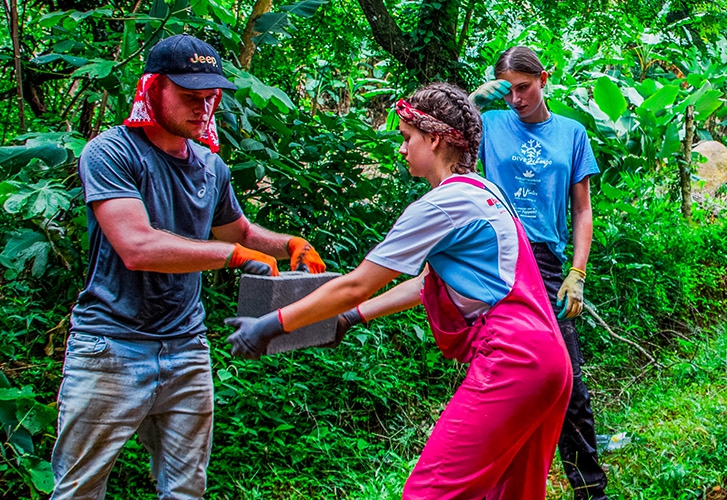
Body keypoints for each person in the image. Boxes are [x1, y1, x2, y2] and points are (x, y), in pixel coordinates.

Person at [223, 83, 572, 498]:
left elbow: (356, 284)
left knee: (428, 492)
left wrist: (271, 325)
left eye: (407, 138)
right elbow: (427, 283)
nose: (402, 149)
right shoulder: (484, 191)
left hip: (514, 359)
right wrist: (351, 319)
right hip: (551, 361)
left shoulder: (443, 204)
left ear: (435, 138)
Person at [51, 35, 327, 498]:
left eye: (209, 97)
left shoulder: (209, 165)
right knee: (79, 490)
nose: (203, 108)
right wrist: (232, 257)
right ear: (152, 88)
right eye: (189, 97)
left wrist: (289, 244)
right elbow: (137, 246)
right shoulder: (111, 152)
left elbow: (238, 232)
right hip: (112, 346)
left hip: (187, 348)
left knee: (185, 492)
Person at [468, 46, 609, 499]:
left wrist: (578, 272)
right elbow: (442, 132)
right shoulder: (489, 125)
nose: (515, 99)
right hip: (497, 259)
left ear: (543, 78)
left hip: (547, 263)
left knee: (567, 376)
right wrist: (475, 99)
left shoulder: (572, 132)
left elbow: (582, 210)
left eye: (523, 87)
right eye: (506, 90)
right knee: (500, 377)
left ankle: (590, 489)